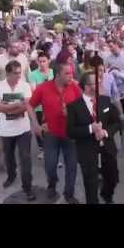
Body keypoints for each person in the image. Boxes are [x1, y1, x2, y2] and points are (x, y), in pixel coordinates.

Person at [27, 62, 82, 204]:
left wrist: (71, 113)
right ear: (57, 75)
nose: (71, 76)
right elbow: (30, 105)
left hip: (71, 134)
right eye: (67, 73)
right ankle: (52, 183)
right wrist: (36, 125)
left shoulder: (74, 87)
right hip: (51, 134)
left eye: (71, 73)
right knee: (50, 165)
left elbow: (84, 108)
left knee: (72, 167)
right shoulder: (43, 88)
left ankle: (69, 193)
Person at [67, 72, 121, 204]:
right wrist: (91, 128)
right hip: (87, 150)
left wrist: (106, 132)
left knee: (113, 177)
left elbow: (117, 122)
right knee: (91, 183)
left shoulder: (105, 101)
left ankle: (106, 194)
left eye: (96, 83)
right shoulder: (74, 106)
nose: (94, 86)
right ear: (83, 86)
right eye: (90, 84)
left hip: (107, 148)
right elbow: (70, 131)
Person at [0, 61, 36, 201]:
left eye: (20, 72)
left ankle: (27, 187)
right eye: (16, 73)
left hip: (23, 129)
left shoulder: (24, 85)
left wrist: (7, 107)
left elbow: (27, 106)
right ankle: (11, 176)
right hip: (6, 130)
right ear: (8, 73)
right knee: (9, 157)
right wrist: (17, 104)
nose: (19, 75)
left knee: (25, 158)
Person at [28, 51, 54, 161]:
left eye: (44, 61)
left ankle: (52, 148)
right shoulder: (32, 74)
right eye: (40, 61)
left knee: (52, 129)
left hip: (52, 106)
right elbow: (34, 91)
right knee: (39, 128)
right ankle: (42, 149)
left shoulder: (54, 72)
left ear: (49, 61)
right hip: (38, 107)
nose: (42, 63)